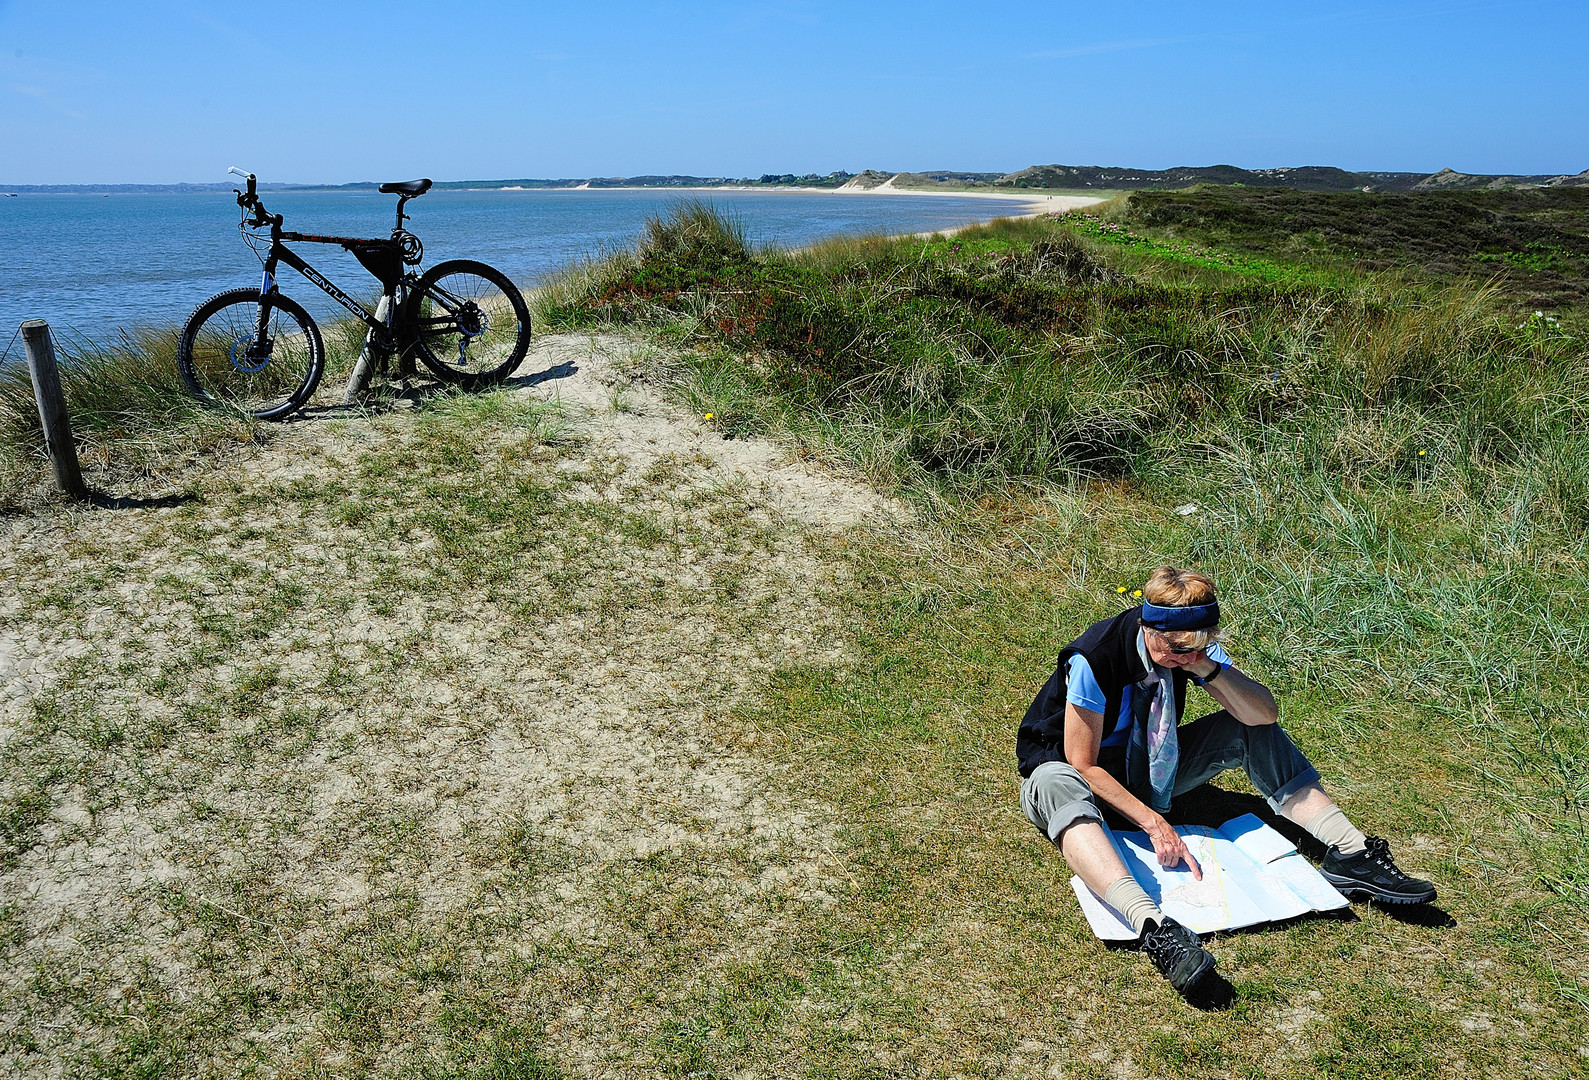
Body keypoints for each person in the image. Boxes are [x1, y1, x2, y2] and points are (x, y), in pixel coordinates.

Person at [1016, 566, 1435, 998]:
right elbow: (1082, 764)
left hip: (1143, 769)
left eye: (1198, 646)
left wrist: (1207, 668)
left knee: (1247, 727)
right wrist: (1154, 823)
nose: (1186, 656)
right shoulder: (1095, 658)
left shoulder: (1190, 649)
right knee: (1054, 780)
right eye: (1177, 648)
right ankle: (1153, 928)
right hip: (1073, 775)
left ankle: (1352, 853)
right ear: (1148, 626)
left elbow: (1264, 714)